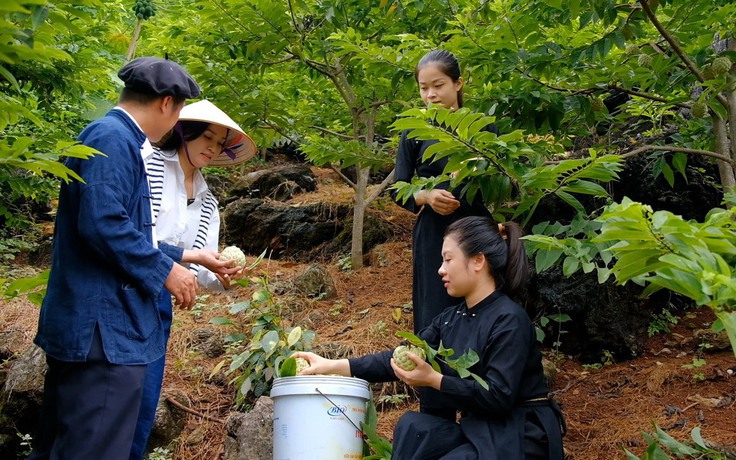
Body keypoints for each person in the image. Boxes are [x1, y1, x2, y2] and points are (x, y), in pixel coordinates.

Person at [29, 57, 232, 460]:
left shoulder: (117, 139)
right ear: (166, 104)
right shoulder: (113, 139)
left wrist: (181, 260)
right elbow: (104, 223)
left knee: (71, 444)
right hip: (103, 332)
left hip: (104, 328)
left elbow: (124, 231)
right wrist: (166, 270)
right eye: (178, 113)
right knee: (96, 448)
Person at [294, 216, 564, 459]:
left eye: (448, 259)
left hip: (519, 435)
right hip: (482, 430)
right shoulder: (451, 318)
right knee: (415, 428)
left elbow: (498, 397)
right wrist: (333, 366)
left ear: (478, 261)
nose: (440, 270)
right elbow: (401, 357)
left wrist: (435, 380)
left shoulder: (509, 319)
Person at [129, 100, 257, 459]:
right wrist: (187, 258)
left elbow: (202, 269)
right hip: (124, 290)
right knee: (112, 401)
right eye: (208, 137)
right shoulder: (147, 166)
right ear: (184, 132)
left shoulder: (207, 200)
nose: (213, 147)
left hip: (158, 304)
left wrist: (225, 276)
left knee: (143, 399)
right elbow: (132, 235)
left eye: (219, 143)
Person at [391, 49, 496, 333]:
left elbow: (503, 180)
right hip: (434, 231)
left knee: (481, 300)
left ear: (458, 83)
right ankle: (432, 371)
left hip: (475, 226)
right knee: (434, 303)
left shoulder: (481, 127)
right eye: (424, 88)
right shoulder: (414, 130)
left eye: (438, 86)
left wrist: (476, 169)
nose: (431, 95)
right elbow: (396, 187)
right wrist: (426, 196)